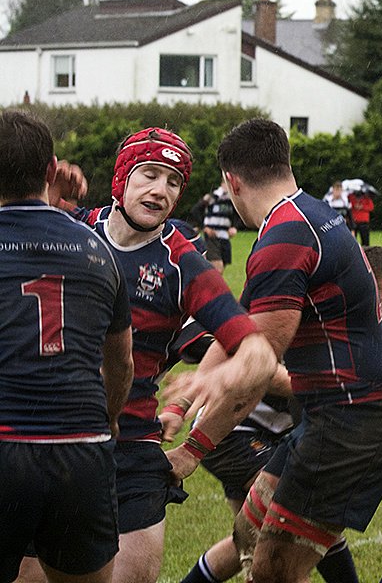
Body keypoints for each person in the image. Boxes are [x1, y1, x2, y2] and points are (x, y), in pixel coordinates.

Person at [25, 128, 277, 583]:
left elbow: (257, 354)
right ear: (122, 178)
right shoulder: (72, 227)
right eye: (149, 174)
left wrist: (197, 440)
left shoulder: (183, 264)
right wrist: (40, 198)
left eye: (173, 181)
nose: (161, 190)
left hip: (131, 447)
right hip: (46, 436)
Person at [177, 246, 382, 583]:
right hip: (233, 433)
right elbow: (267, 371)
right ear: (364, 285)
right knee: (302, 515)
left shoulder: (354, 325)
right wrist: (331, 389)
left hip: (268, 433)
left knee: (251, 539)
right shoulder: (314, 314)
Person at [197, 119, 382, 583]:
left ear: (232, 182)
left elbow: (257, 363)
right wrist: (189, 394)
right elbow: (238, 326)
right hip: (337, 414)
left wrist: (192, 448)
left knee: (273, 570)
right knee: (248, 534)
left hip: (352, 419)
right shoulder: (310, 213)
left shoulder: (285, 236)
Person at [0, 110, 135, 583]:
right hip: (80, 446)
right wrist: (111, 417)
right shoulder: (97, 251)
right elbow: (121, 362)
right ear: (51, 169)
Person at [203, 186, 237, 274]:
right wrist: (205, 227)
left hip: (225, 237)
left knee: (220, 268)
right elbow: (196, 210)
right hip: (212, 236)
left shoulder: (232, 200)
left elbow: (236, 215)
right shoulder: (212, 197)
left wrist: (234, 227)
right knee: (218, 267)